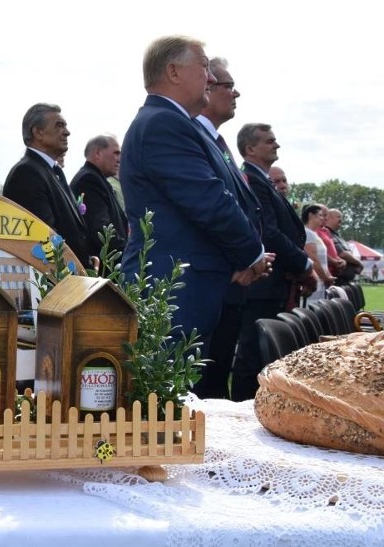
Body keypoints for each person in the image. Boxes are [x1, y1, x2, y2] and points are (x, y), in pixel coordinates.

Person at [119, 36, 268, 359]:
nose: (211, 78)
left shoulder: (175, 123)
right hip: (170, 293)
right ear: (174, 72)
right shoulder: (163, 124)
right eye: (204, 67)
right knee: (166, 405)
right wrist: (251, 254)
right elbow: (209, 201)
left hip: (186, 290)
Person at [192, 57, 265, 399]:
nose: (236, 93)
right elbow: (210, 208)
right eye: (228, 86)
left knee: (218, 381)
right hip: (215, 282)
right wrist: (246, 259)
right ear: (207, 88)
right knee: (204, 388)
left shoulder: (217, 142)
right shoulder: (194, 137)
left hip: (231, 283)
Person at [231, 124, 315, 401]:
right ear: (250, 148)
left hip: (273, 284)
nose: (276, 146)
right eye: (270, 141)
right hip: (262, 285)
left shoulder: (263, 180)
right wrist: (305, 265)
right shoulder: (252, 180)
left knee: (261, 355)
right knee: (253, 355)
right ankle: (244, 409)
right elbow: (269, 232)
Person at [2, 103, 101, 268]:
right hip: (54, 284)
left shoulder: (51, 171)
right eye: (59, 125)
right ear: (38, 132)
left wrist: (86, 261)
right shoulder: (27, 173)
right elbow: (43, 237)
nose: (67, 132)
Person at [69, 134, 128, 255]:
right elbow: (101, 231)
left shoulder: (96, 179)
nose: (119, 159)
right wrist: (131, 253)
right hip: (104, 266)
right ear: (98, 153)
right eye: (116, 153)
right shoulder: (89, 180)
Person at [302, 203, 334, 304]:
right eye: (320, 215)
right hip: (316, 280)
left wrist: (328, 276)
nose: (322, 218)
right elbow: (313, 259)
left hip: (322, 281)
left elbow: (322, 260)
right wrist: (325, 278)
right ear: (311, 215)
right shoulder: (307, 233)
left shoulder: (314, 234)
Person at [324, 208, 363, 284]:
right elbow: (342, 254)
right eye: (338, 217)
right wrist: (359, 262)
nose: (341, 220)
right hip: (337, 280)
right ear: (329, 218)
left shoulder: (336, 235)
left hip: (345, 280)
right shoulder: (328, 234)